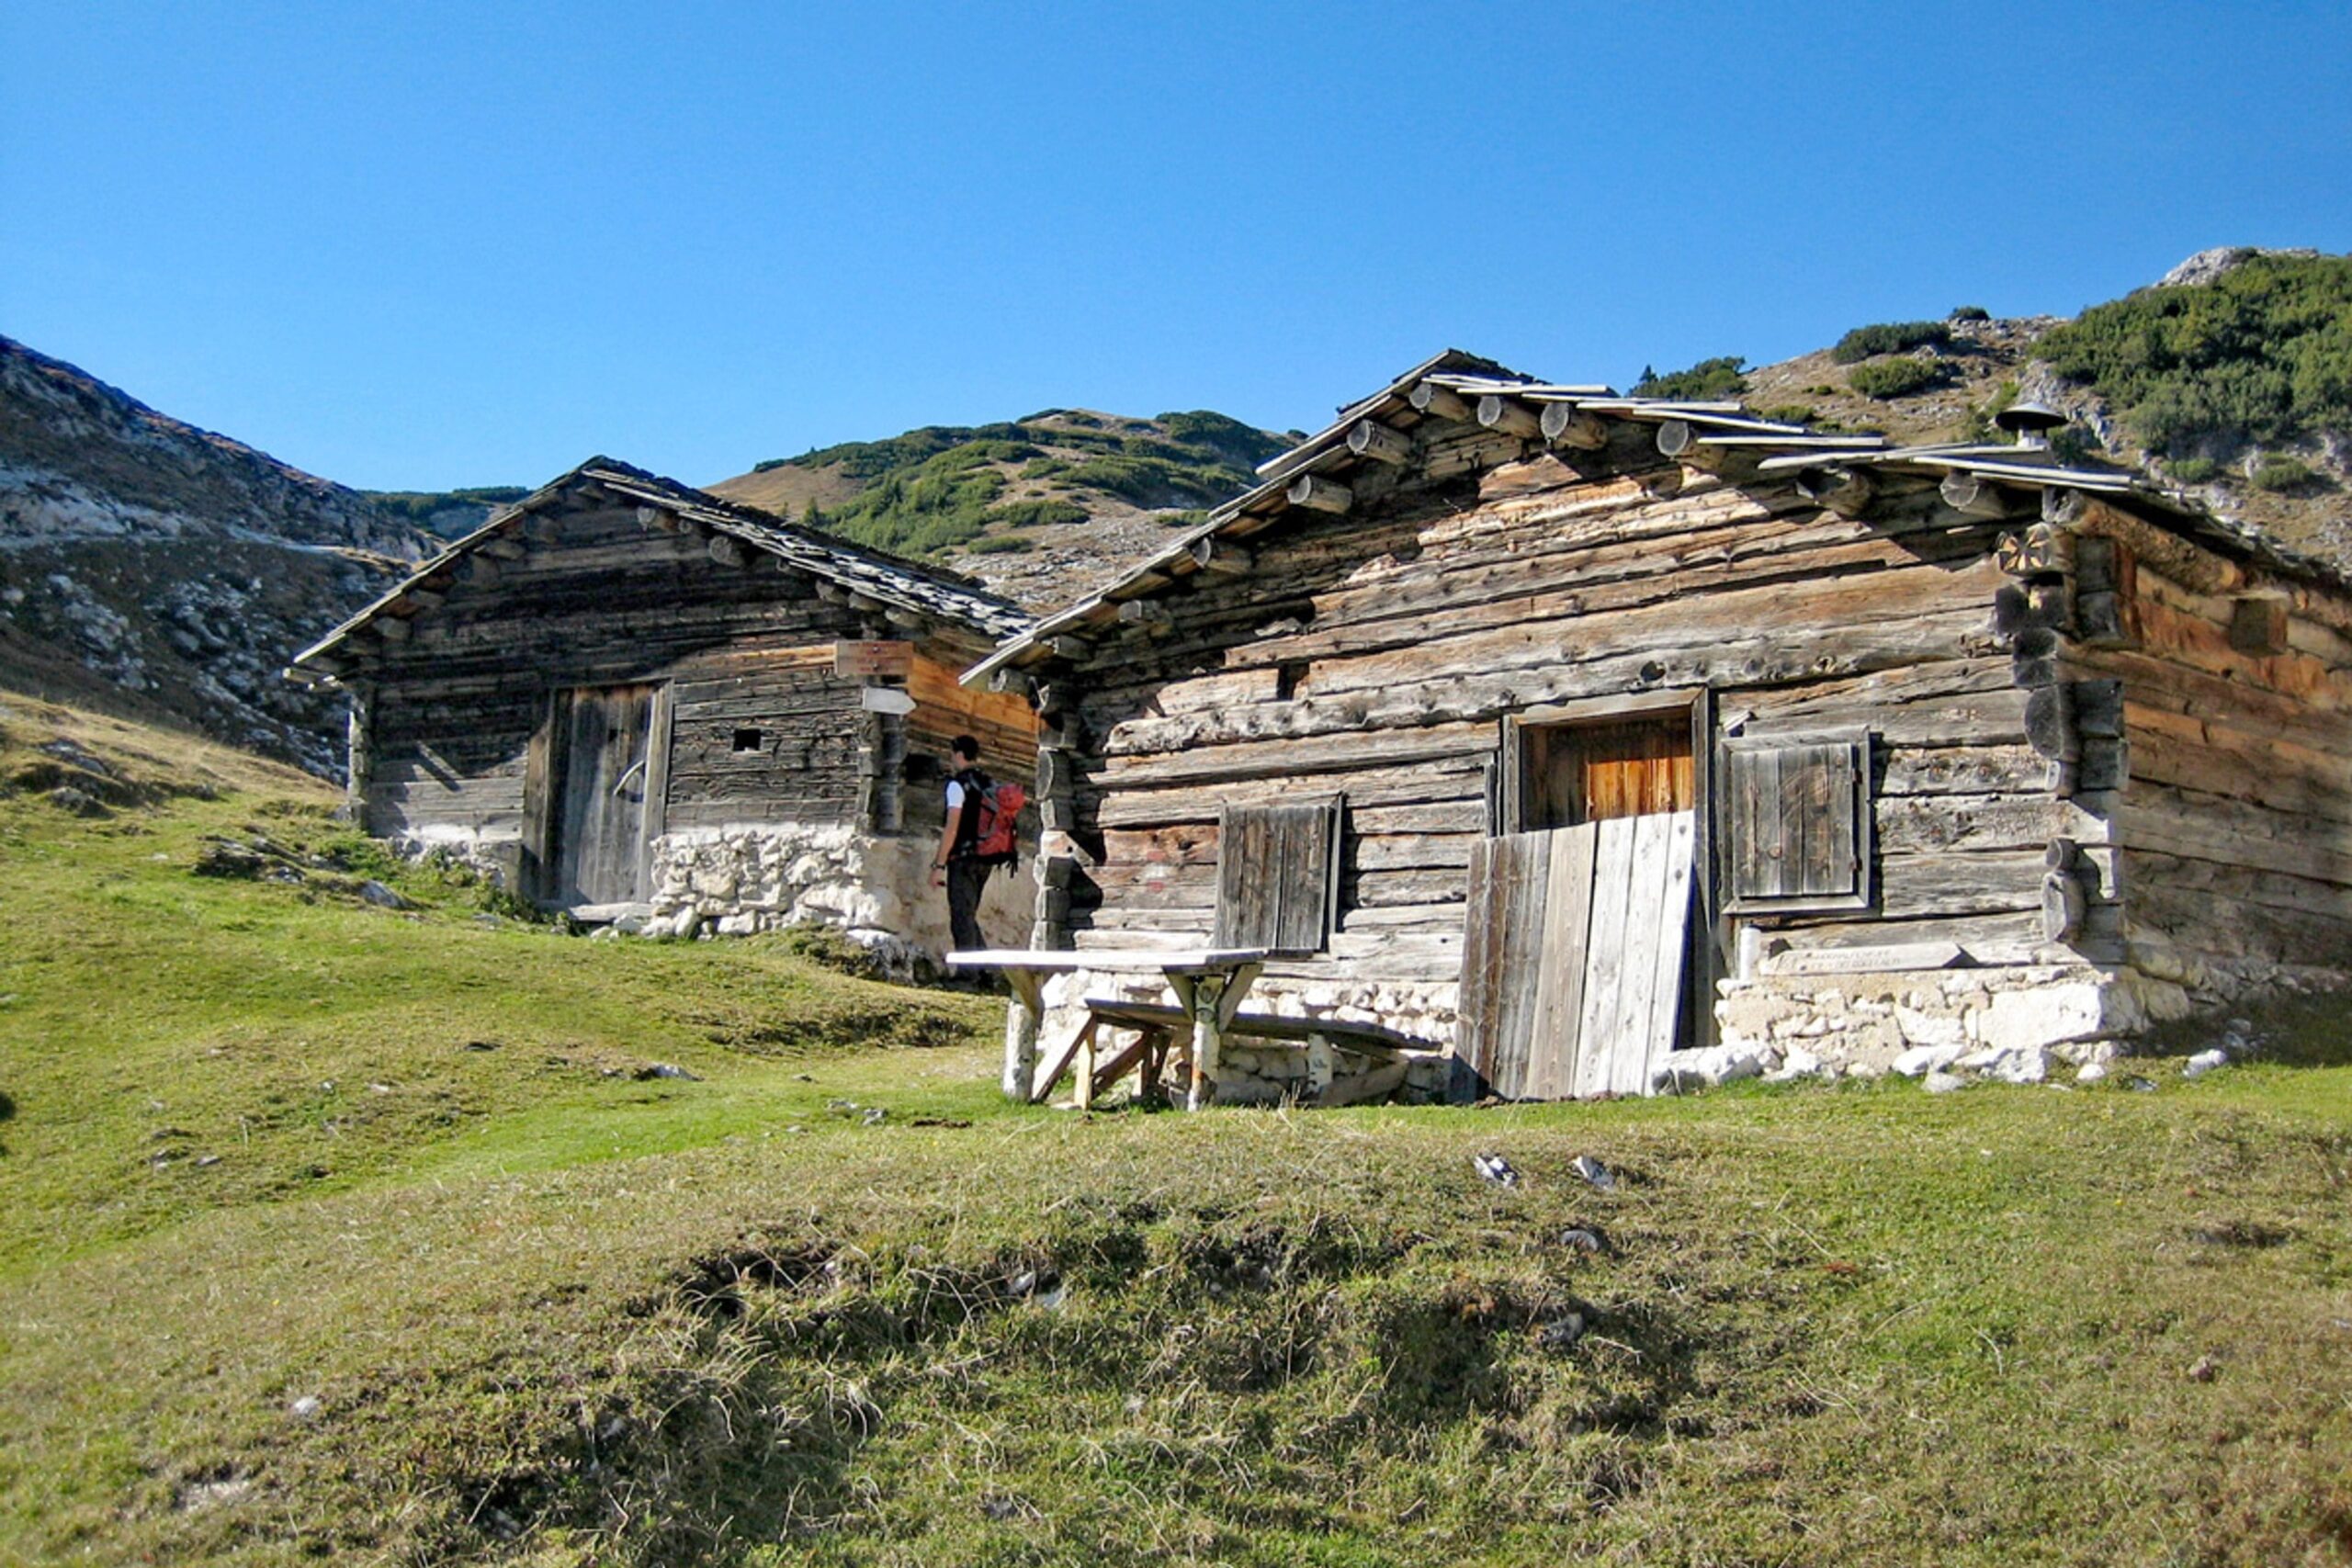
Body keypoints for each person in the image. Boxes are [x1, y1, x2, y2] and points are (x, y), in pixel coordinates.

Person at [933, 734, 990, 954]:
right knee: (968, 914)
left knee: (961, 916)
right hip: (988, 856)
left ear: (958, 755)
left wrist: (939, 865)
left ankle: (968, 975)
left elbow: (952, 828)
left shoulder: (957, 786)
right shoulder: (988, 783)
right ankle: (985, 970)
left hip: (964, 857)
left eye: (951, 754)